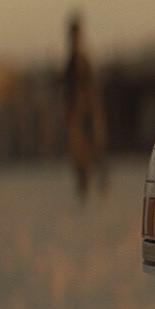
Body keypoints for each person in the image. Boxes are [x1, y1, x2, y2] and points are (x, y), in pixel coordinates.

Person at [62, 13, 107, 199]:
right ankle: (85, 185)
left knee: (93, 148)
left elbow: (89, 88)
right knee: (79, 152)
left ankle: (97, 180)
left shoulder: (81, 61)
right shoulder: (72, 61)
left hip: (86, 111)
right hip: (79, 112)